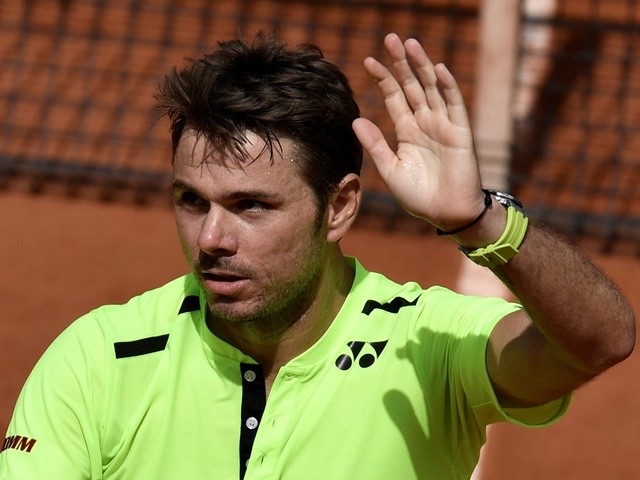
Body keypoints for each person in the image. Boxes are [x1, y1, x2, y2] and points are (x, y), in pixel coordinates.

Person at [0, 31, 635, 479]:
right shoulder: (100, 358)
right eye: (193, 201)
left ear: (339, 208)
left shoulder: (427, 346)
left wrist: (479, 220)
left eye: (252, 206)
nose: (212, 240)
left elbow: (598, 340)